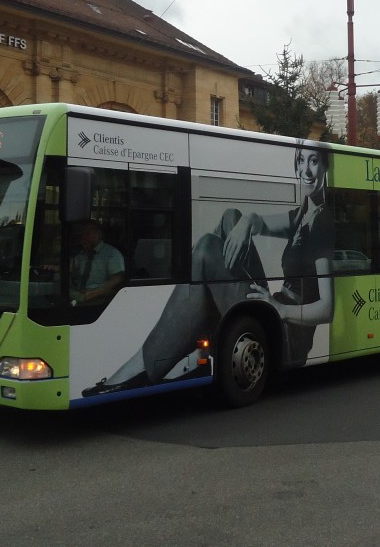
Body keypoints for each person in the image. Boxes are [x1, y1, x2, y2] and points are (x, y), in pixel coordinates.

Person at [83, 145, 334, 397]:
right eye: (301, 160)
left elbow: (327, 307)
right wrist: (247, 221)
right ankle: (194, 333)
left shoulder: (321, 223)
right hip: (276, 306)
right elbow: (258, 222)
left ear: (324, 167)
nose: (306, 170)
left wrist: (279, 309)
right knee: (231, 217)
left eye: (314, 161)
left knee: (206, 248)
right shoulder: (303, 214)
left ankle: (139, 369)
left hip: (289, 331)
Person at [69, 219, 125, 306]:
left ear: (98, 234)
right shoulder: (82, 254)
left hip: (99, 300)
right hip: (80, 296)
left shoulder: (112, 253)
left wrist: (95, 292)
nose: (83, 237)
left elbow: (117, 280)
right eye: (81, 234)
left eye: (87, 234)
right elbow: (71, 270)